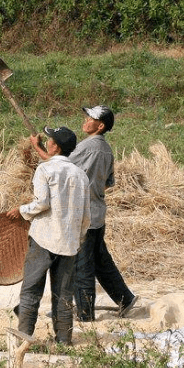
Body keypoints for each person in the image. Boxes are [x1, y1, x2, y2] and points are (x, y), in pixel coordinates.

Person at [7, 126, 90, 345]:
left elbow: (43, 204)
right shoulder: (81, 175)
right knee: (64, 295)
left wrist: (22, 210)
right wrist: (78, 240)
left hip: (44, 238)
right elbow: (86, 216)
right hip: (69, 243)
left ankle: (23, 340)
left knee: (31, 290)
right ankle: (64, 341)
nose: (49, 142)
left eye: (51, 140)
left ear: (55, 146)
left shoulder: (45, 170)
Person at [68, 105, 137, 321]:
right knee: (99, 260)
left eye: (90, 118)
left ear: (100, 126)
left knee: (83, 265)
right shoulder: (106, 149)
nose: (85, 120)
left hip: (83, 215)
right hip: (97, 212)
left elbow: (63, 169)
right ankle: (125, 298)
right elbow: (108, 182)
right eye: (87, 116)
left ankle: (85, 312)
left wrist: (45, 154)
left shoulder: (88, 147)